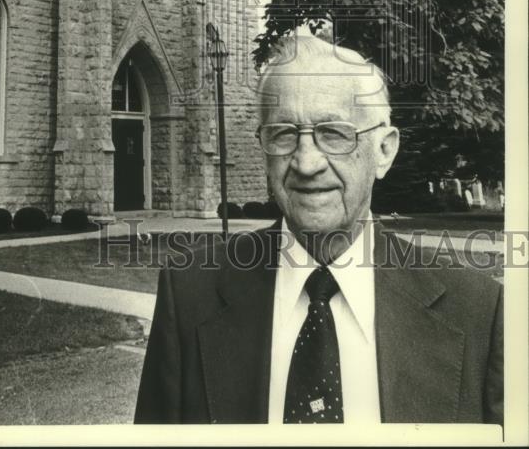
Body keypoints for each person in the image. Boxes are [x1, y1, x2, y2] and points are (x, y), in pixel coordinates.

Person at [134, 34, 503, 425]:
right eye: (284, 134)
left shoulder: (478, 312)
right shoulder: (190, 295)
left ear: (384, 151)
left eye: (334, 133)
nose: (306, 163)